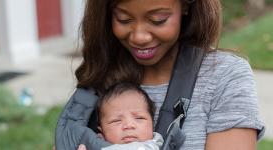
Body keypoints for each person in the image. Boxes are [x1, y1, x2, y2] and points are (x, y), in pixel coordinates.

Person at [55, 0, 265, 149]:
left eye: (158, 20)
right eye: (124, 19)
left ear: (185, 5)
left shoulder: (223, 76)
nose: (139, 36)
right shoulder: (99, 80)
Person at [96, 82, 163, 149]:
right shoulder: (95, 146)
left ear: (152, 123)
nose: (129, 125)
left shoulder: (164, 145)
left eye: (139, 118)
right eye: (116, 121)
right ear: (102, 132)